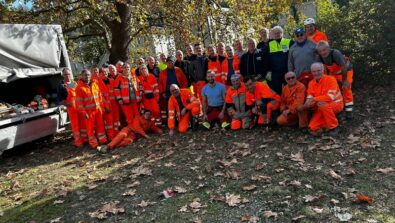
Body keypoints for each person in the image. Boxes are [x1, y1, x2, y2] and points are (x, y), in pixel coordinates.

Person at [300, 62, 344, 136]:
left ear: (323, 70)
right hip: (320, 106)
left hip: (336, 104)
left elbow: (330, 97)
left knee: (324, 106)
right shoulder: (311, 83)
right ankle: (328, 123)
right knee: (312, 127)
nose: (316, 73)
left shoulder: (331, 79)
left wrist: (314, 99)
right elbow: (309, 97)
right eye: (314, 71)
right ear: (311, 72)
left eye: (318, 70)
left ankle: (334, 127)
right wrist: (308, 103)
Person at [316, 41, 354, 119]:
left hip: (345, 71)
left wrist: (344, 80)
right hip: (333, 73)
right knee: (330, 89)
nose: (323, 52)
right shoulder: (319, 57)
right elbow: (324, 69)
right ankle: (336, 107)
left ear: (328, 48)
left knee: (346, 88)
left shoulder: (335, 53)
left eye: (324, 50)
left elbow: (343, 67)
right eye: (320, 51)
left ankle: (349, 111)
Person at [75, 69, 107, 150]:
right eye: (85, 75)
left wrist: (102, 108)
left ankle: (103, 140)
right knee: (90, 129)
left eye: (88, 75)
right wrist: (83, 112)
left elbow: (100, 97)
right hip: (88, 112)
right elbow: (79, 103)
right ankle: (94, 144)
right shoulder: (79, 88)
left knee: (100, 126)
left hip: (98, 110)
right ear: (81, 76)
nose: (87, 76)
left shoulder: (94, 84)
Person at [57, 68, 83, 147]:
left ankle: (84, 139)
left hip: (80, 107)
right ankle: (78, 142)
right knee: (75, 126)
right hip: (72, 109)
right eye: (65, 74)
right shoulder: (61, 86)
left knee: (82, 124)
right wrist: (68, 105)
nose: (67, 76)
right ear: (62, 75)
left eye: (68, 74)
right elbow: (61, 100)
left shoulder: (74, 83)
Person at [158, 56, 188, 123]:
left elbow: (184, 80)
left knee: (180, 105)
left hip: (178, 92)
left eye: (171, 62)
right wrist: (162, 92)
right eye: (168, 62)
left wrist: (183, 90)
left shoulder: (178, 70)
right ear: (166, 63)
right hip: (167, 93)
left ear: (173, 62)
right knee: (170, 108)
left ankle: (182, 120)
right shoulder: (163, 72)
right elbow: (160, 83)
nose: (170, 64)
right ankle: (172, 121)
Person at [268, 26, 294, 94]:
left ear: (282, 33)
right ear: (273, 34)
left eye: (279, 33)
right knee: (276, 92)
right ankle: (278, 104)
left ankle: (290, 104)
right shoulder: (269, 44)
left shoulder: (289, 42)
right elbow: (265, 58)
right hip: (275, 73)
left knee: (289, 90)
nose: (277, 34)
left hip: (287, 71)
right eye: (275, 33)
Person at [98, 68, 118, 140]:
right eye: (103, 72)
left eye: (106, 72)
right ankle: (111, 137)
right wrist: (105, 107)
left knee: (116, 121)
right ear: (99, 74)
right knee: (109, 123)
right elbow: (100, 97)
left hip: (114, 105)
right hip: (107, 106)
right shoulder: (98, 83)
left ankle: (117, 134)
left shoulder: (112, 81)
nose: (105, 73)